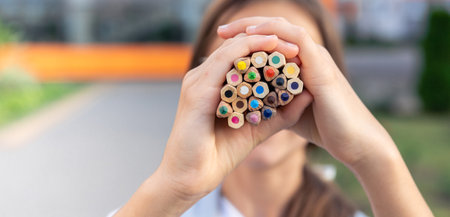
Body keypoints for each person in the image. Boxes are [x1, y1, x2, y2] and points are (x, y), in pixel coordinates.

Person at [111, 0, 434, 216]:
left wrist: (375, 158)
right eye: (235, 66)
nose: (265, 92)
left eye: (296, 66)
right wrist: (175, 188)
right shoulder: (155, 207)